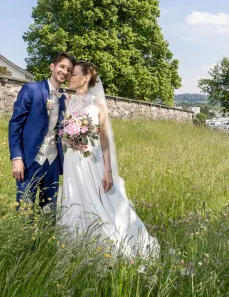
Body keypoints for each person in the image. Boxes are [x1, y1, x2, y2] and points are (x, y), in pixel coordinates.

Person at [60, 61, 160, 258]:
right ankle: (76, 246)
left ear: (86, 77)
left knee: (100, 202)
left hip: (91, 161)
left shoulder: (98, 104)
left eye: (74, 73)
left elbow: (105, 141)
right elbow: (62, 131)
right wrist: (69, 137)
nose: (70, 77)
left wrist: (108, 171)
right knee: (73, 199)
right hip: (71, 160)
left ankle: (111, 244)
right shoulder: (67, 101)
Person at [8, 52, 76, 210]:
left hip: (53, 161)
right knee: (25, 210)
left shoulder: (64, 100)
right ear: (52, 66)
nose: (65, 72)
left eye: (69, 69)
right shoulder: (31, 89)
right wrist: (17, 158)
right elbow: (15, 124)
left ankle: (46, 235)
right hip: (29, 160)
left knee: (50, 210)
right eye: (62, 66)